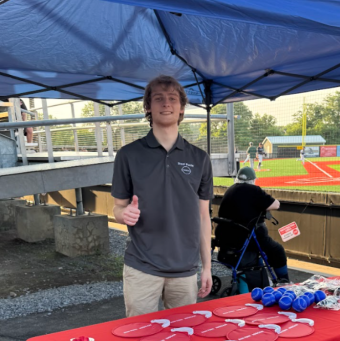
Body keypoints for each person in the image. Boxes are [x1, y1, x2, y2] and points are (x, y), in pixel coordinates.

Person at [112, 75, 213, 317]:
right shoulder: (128, 155)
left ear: (181, 108)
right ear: (148, 107)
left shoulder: (199, 158)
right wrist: (124, 214)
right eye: (158, 98)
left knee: (183, 335)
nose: (166, 103)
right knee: (139, 334)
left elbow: (203, 216)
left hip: (185, 270)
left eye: (172, 99)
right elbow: (117, 208)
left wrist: (207, 267)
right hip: (141, 267)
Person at [215, 166, 290, 285]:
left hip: (226, 238)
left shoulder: (230, 189)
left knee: (257, 252)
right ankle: (284, 280)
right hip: (245, 237)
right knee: (277, 250)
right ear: (253, 179)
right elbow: (276, 205)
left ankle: (261, 278)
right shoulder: (254, 190)